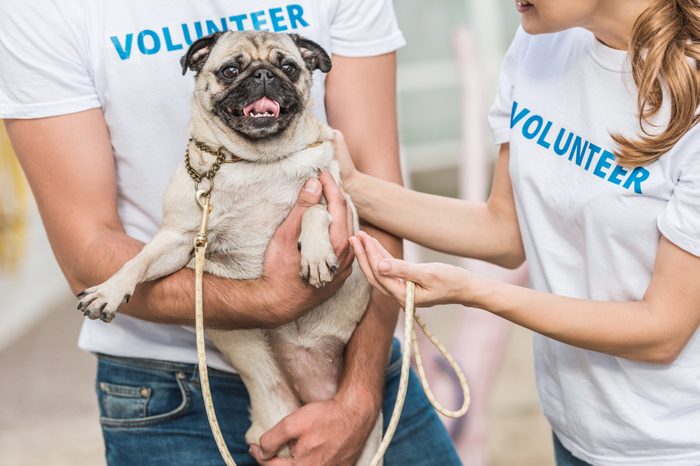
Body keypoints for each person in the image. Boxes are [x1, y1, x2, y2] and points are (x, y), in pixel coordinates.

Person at [0, 1, 460, 465]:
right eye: (235, 71)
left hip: (359, 358)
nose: (261, 81)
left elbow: (381, 200)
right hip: (166, 386)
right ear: (198, 71)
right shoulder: (45, 11)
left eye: (281, 69)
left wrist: (359, 396)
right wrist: (270, 300)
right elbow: (86, 254)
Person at [333, 0, 700, 465]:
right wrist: (353, 187)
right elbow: (505, 231)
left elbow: (661, 330)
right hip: (575, 433)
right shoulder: (539, 43)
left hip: (676, 446)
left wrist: (472, 291)